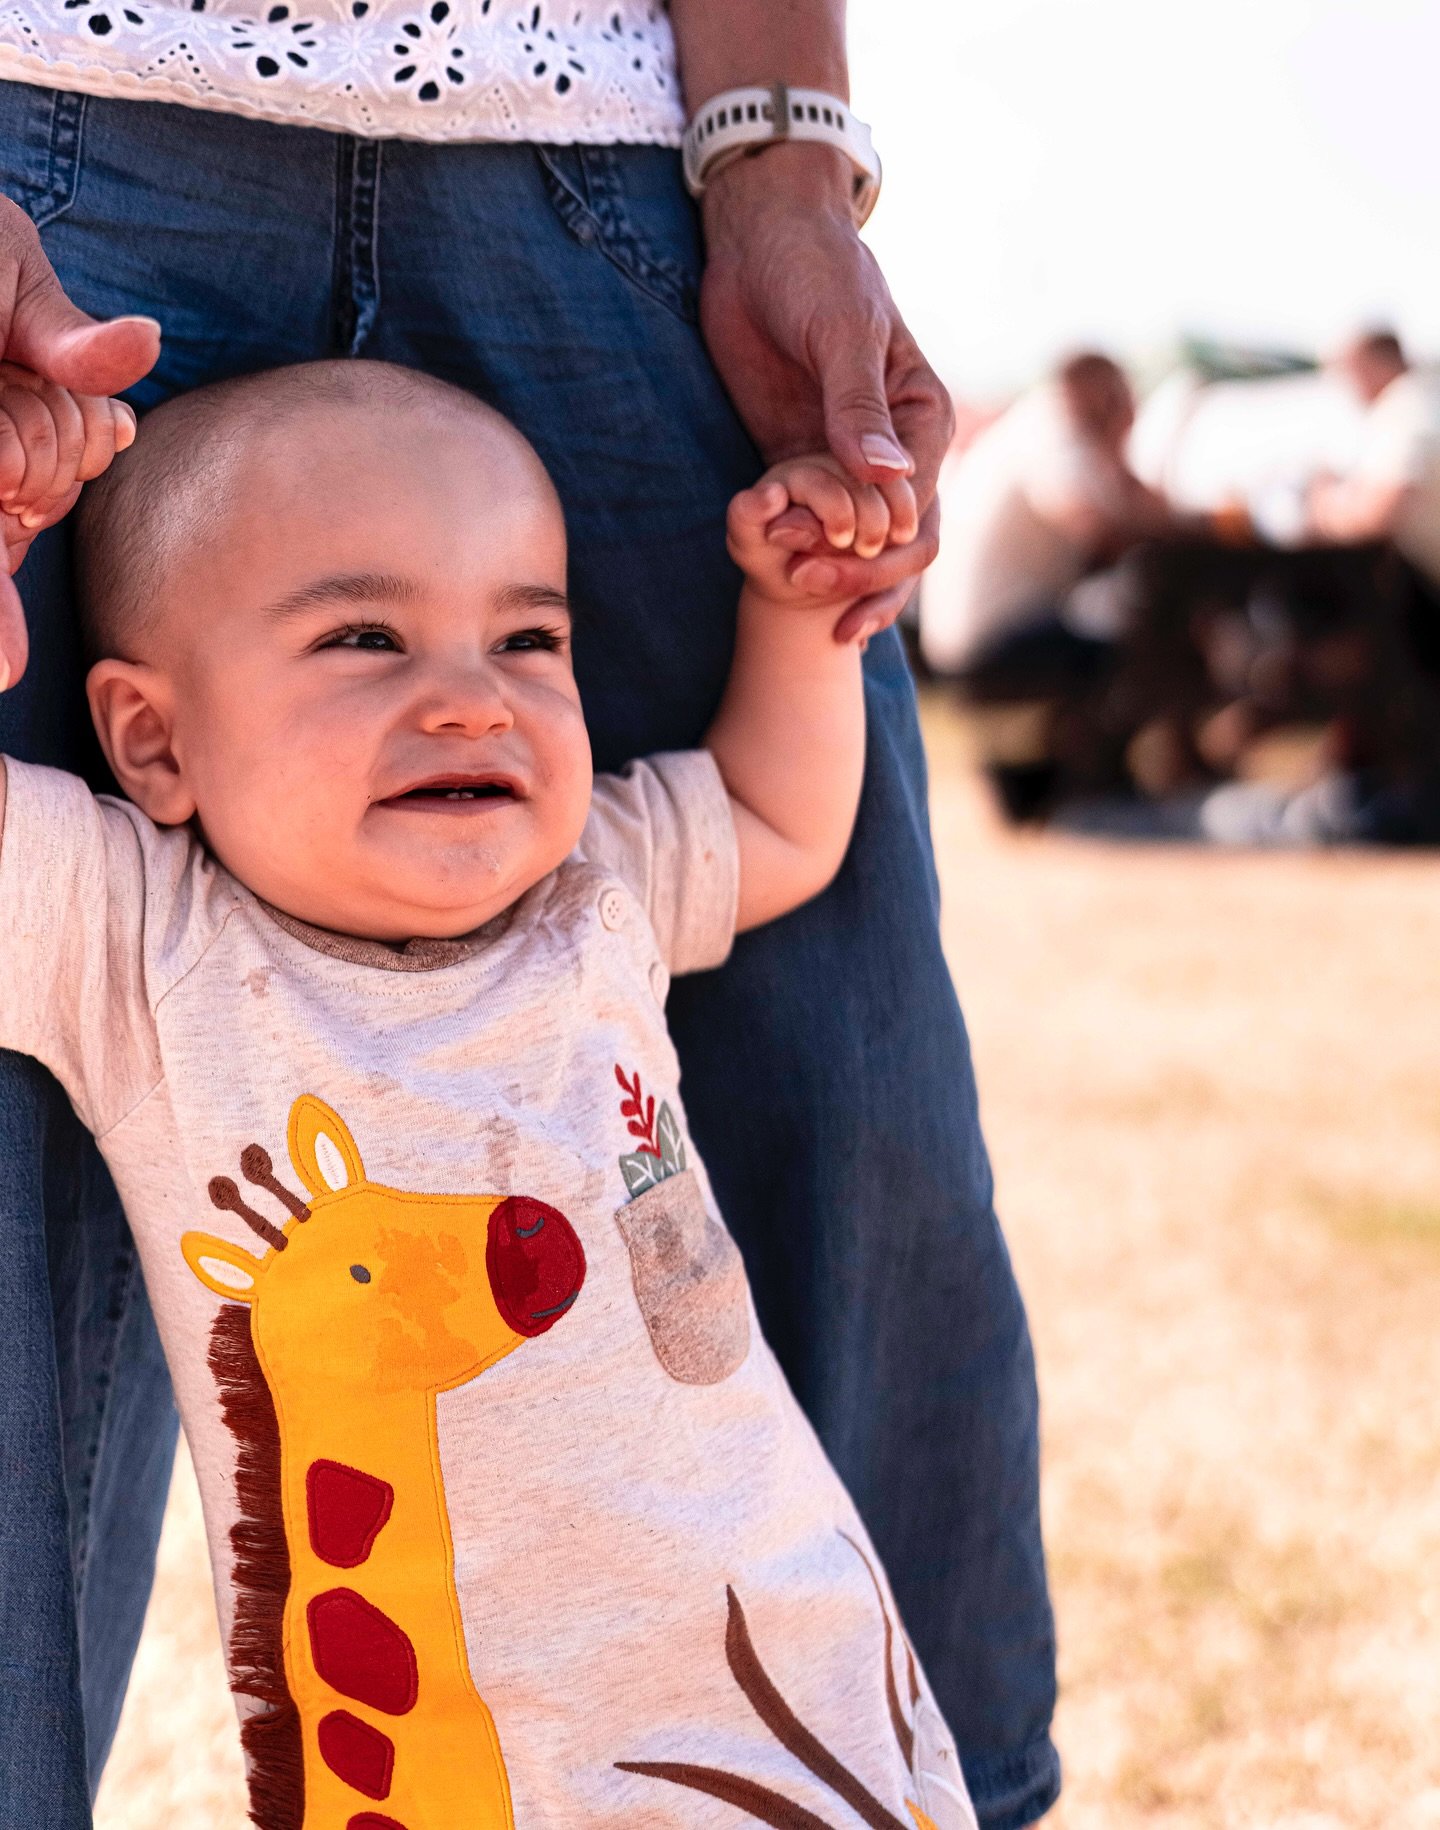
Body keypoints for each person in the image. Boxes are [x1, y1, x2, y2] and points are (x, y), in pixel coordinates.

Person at [0, 11, 1059, 1826]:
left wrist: (800, 618)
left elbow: (788, 826)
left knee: (864, 1123)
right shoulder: (130, 943)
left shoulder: (596, 898)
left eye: (533, 640)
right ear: (149, 741)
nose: (474, 698)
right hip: (415, 1755)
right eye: (363, 640)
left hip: (770, 1728)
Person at [919, 352, 1179, 689]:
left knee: (1124, 617)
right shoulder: (1050, 428)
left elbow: (1141, 511)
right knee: (1145, 633)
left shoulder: (1049, 429)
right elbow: (1095, 528)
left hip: (983, 635)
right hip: (987, 642)